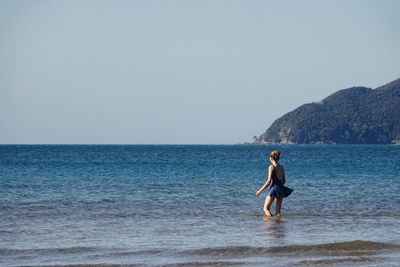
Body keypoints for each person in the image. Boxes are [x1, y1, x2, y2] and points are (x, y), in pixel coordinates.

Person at [256, 150, 293, 217]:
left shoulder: (271, 167)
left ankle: (270, 221)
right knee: (278, 212)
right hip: (281, 189)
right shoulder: (282, 167)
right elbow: (284, 181)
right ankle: (277, 224)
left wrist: (260, 191)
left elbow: (269, 181)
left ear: (271, 158)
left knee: (265, 209)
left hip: (273, 189)